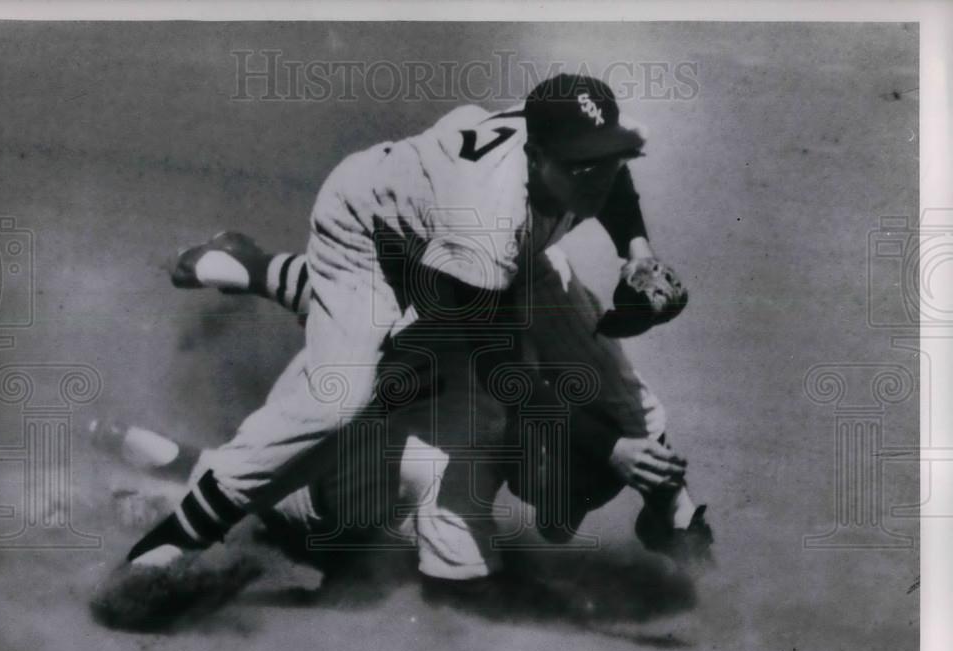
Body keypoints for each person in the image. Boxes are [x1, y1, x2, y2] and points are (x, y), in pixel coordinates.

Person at [123, 73, 707, 587]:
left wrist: (636, 252)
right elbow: (495, 362)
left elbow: (608, 171)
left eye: (603, 157)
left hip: (461, 242)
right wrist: (608, 447)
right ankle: (177, 536)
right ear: (535, 157)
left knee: (596, 356)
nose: (596, 177)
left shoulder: (563, 165)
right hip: (368, 233)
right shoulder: (487, 215)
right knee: (339, 400)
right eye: (580, 164)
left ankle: (672, 512)